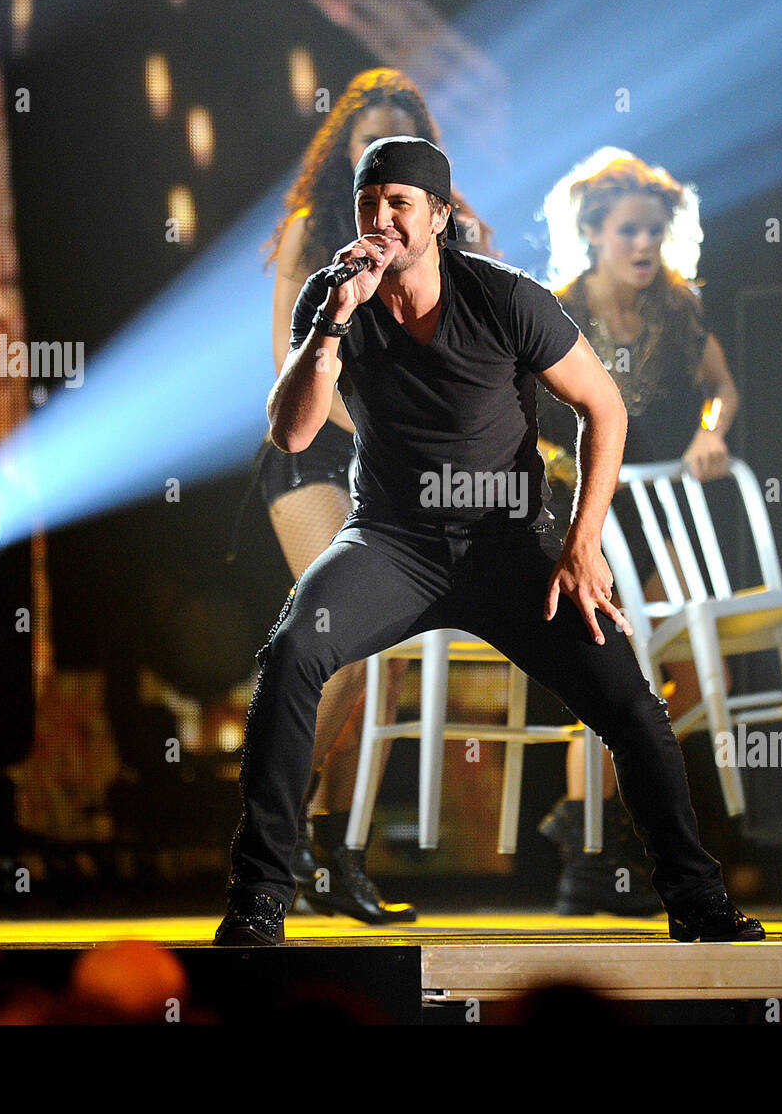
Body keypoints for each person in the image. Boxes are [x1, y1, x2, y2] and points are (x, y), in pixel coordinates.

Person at [215, 136, 764, 946]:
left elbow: (602, 408)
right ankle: (261, 897)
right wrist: (329, 328)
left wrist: (581, 544)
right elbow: (293, 435)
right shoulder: (335, 301)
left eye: (401, 204)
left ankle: (696, 898)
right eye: (372, 204)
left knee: (632, 704)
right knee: (296, 650)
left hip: (511, 544)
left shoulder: (507, 296)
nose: (382, 219)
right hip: (390, 544)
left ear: (438, 217)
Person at [257, 69, 491, 923]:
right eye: (365, 145)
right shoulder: (310, 236)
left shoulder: (454, 238)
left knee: (380, 666)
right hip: (318, 456)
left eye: (398, 149)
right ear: (344, 157)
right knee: (340, 643)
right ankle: (274, 835)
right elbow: (290, 380)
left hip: (407, 468)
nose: (381, 173)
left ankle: (335, 854)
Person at [534, 150, 741, 916]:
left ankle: (609, 825)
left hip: (657, 505)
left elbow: (720, 387)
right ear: (593, 233)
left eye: (654, 230)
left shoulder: (679, 307)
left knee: (686, 656)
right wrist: (555, 457)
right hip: (580, 508)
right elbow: (510, 405)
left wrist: (707, 436)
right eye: (629, 231)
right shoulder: (556, 307)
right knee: (609, 672)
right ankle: (594, 845)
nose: (645, 245)